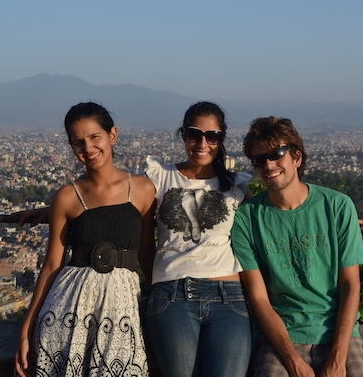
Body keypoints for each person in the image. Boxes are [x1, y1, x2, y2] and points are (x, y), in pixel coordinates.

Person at [15, 102, 156, 377]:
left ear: (112, 135)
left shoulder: (142, 189)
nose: (88, 149)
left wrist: (160, 306)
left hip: (122, 309)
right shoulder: (67, 197)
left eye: (95, 137)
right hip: (69, 307)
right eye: (78, 142)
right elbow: (52, 265)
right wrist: (25, 330)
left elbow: (148, 254)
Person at [231, 116, 363, 377]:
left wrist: (338, 358)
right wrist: (293, 361)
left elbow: (351, 284)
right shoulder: (247, 218)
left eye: (276, 154)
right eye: (260, 160)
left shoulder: (337, 207)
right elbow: (259, 298)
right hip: (282, 337)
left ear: (296, 157)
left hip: (339, 334)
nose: (269, 165)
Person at [144, 101, 253, 377]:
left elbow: (273, 216)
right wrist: (55, 208)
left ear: (221, 139)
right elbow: (121, 207)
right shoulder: (160, 177)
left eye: (212, 136)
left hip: (228, 295)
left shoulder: (236, 185)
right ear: (183, 135)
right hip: (172, 295)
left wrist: (333, 215)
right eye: (194, 134)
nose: (202, 143)